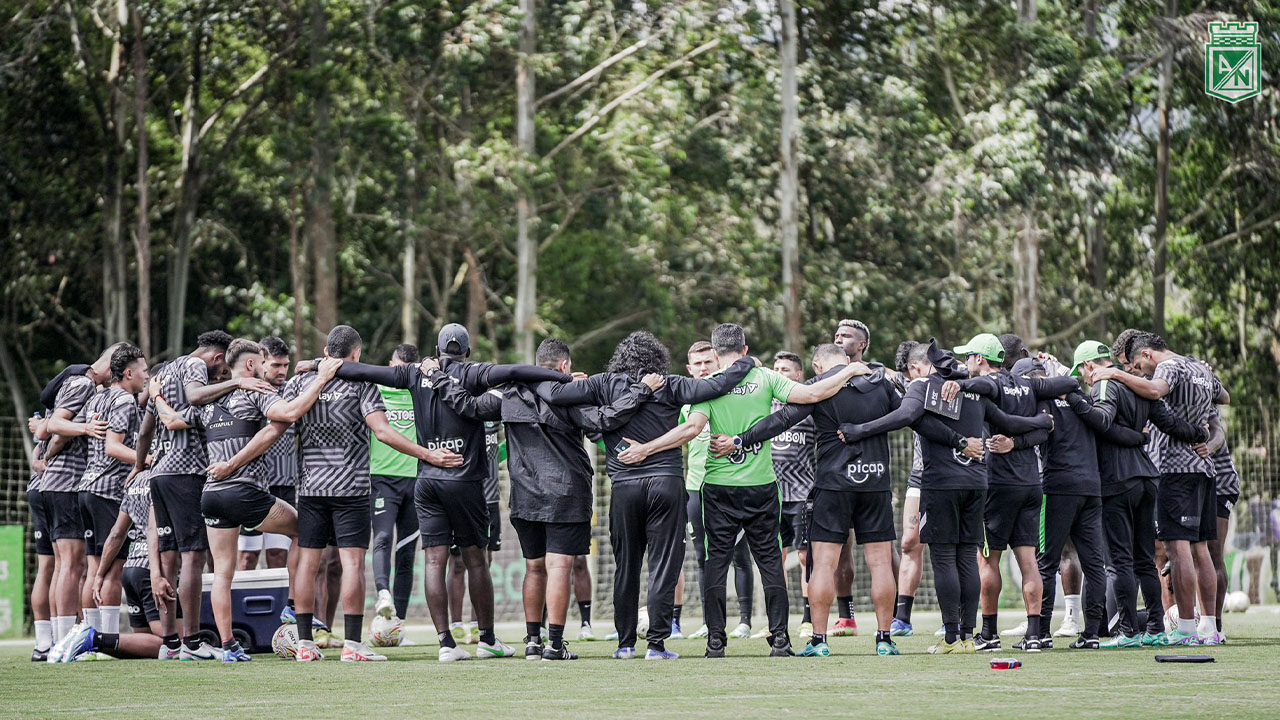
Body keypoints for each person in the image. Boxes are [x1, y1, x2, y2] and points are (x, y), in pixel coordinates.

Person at [620, 324, 872, 658]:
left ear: (715, 352)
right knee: (770, 563)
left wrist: (645, 449)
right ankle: (780, 640)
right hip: (761, 486)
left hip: (718, 489)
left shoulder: (709, 385)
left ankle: (715, 642)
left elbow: (691, 429)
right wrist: (850, 370)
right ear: (745, 349)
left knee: (715, 563)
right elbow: (812, 394)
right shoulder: (765, 377)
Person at [327, 322, 571, 662]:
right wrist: (561, 377)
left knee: (433, 560)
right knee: (476, 559)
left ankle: (445, 644)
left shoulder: (413, 373)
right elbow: (517, 371)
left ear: (437, 350)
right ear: (467, 352)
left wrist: (315, 364)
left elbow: (359, 369)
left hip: (427, 479)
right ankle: (487, 639)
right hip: (465, 482)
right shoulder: (474, 373)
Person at [536, 330, 754, 660]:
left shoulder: (602, 384)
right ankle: (656, 645)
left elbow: (554, 394)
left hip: (624, 488)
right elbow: (718, 385)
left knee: (626, 566)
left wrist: (567, 379)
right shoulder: (671, 384)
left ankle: (625, 645)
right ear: (658, 359)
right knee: (664, 565)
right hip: (666, 483)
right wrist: (747, 363)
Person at [839, 340, 1050, 654]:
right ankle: (967, 635)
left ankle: (951, 637)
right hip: (977, 483)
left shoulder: (923, 386)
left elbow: (905, 416)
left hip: (942, 485)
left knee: (944, 559)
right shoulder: (974, 391)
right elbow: (1007, 422)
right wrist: (1041, 423)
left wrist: (859, 430)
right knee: (966, 558)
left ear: (923, 367)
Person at [154, 340, 346, 661]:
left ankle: (229, 647)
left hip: (211, 494)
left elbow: (171, 421)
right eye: (262, 361)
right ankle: (292, 606)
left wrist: (157, 395)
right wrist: (322, 379)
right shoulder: (255, 392)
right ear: (250, 365)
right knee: (306, 531)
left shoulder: (209, 402)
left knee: (222, 574)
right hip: (244, 492)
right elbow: (290, 413)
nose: (266, 367)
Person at [287, 326, 463, 662]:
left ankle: (305, 644)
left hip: (310, 486)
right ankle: (353, 645)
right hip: (351, 487)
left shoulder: (300, 382)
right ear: (356, 354)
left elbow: (283, 422)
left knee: (307, 564)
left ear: (325, 352)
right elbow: (382, 432)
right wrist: (427, 454)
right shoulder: (362, 384)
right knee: (352, 563)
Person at [713, 343, 897, 656]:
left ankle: (819, 641)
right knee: (880, 562)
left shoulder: (818, 387)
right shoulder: (879, 383)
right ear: (846, 360)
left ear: (818, 366)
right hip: (875, 481)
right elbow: (907, 414)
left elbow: (781, 420)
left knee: (823, 563)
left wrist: (740, 440)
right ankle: (884, 639)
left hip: (833, 485)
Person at [504, 338, 660, 660]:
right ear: (564, 365)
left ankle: (532, 642)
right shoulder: (569, 397)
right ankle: (555, 645)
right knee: (559, 566)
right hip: (565, 492)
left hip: (524, 493)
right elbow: (604, 420)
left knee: (534, 568)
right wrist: (641, 391)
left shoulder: (510, 394)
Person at [135, 330, 271, 661]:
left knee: (170, 558)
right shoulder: (195, 367)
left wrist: (139, 466)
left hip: (160, 472)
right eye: (222, 371)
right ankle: (192, 643)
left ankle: (171, 643)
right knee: (193, 557)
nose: (221, 378)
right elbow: (195, 397)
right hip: (187, 472)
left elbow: (145, 428)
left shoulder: (165, 371)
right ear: (217, 358)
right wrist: (238, 383)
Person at [943, 333, 1078, 651]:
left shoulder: (991, 384)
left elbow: (984, 385)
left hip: (998, 486)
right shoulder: (1027, 384)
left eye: (968, 357)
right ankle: (1035, 634)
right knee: (1029, 561)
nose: (965, 363)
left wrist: (960, 385)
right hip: (1031, 484)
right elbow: (1070, 384)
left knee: (988, 562)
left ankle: (989, 634)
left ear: (980, 359)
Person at [1069, 340, 1206, 648]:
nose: (1083, 379)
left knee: (1119, 561)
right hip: (1147, 479)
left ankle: (1127, 631)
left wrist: (1075, 400)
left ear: (1089, 365)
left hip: (1117, 480)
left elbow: (1102, 421)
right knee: (1145, 560)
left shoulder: (1104, 385)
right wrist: (1199, 433)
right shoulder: (1138, 384)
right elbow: (1170, 423)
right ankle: (1155, 627)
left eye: (1081, 373)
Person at [1094, 332, 1225, 644]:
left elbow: (1155, 391)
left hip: (1175, 469)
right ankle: (1210, 628)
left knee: (1178, 550)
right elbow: (1225, 396)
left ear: (1148, 354)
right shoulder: (1199, 367)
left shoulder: (1168, 367)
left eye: (1138, 366)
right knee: (1200, 549)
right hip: (1203, 469)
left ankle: (1186, 628)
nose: (1139, 373)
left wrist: (1114, 374)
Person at [37, 346, 116, 656]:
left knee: (63, 566)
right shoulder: (83, 383)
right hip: (66, 483)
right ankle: (64, 642)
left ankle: (57, 642)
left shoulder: (78, 382)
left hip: (55, 485)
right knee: (72, 565)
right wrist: (85, 428)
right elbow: (56, 426)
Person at [676, 341, 754, 642]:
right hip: (695, 488)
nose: (703, 368)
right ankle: (710, 621)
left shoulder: (732, 395)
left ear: (719, 362)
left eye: (708, 362)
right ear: (689, 369)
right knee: (702, 557)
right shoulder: (685, 403)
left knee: (739, 554)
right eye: (697, 364)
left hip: (731, 485)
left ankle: (745, 621)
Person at [75, 344, 149, 645]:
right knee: (112, 570)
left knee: (95, 568)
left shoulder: (98, 396)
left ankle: (89, 639)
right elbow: (113, 447)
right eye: (144, 370)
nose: (147, 376)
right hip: (107, 491)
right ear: (128, 373)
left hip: (86, 488)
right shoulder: (124, 400)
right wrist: (146, 459)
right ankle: (105, 640)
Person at [58, 471, 165, 662]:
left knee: (144, 644)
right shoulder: (162, 478)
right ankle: (94, 638)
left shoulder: (135, 482)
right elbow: (152, 531)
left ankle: (89, 640)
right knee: (170, 643)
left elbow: (116, 533)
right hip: (151, 569)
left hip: (131, 568)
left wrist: (99, 574)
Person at [370, 343, 423, 641]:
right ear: (390, 368)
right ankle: (383, 594)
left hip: (415, 481)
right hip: (382, 479)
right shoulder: (376, 390)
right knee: (381, 539)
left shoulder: (421, 392)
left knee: (406, 553)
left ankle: (397, 628)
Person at [764, 351, 815, 640]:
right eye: (776, 368)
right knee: (774, 558)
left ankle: (808, 619)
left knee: (806, 557)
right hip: (772, 494)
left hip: (803, 493)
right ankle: (777, 621)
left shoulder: (807, 407)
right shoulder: (764, 405)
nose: (779, 373)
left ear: (798, 375)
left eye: (785, 369)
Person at [239, 336, 299, 573]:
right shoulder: (245, 391)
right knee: (247, 557)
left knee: (277, 557)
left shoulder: (294, 392)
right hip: (251, 485)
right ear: (261, 362)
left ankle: (280, 600)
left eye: (286, 365)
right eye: (276, 365)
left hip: (283, 484)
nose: (282, 371)